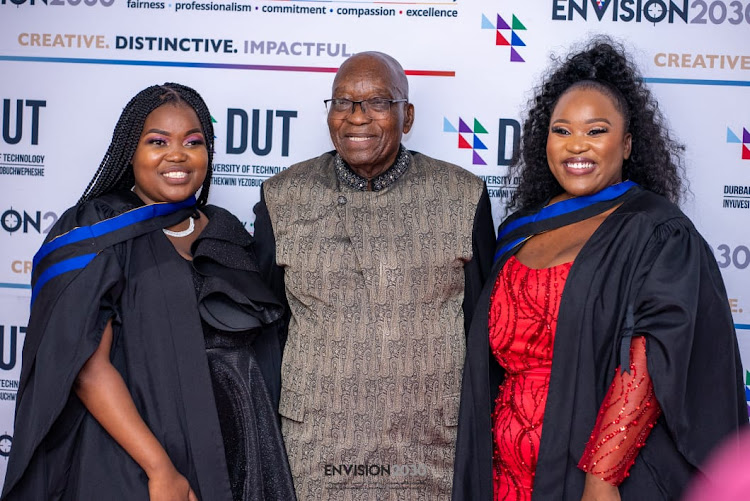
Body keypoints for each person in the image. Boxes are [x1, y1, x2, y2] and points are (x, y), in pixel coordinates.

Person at [452, 39, 748, 501]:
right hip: (504, 471)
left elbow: (650, 358)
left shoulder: (655, 231)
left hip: (592, 473)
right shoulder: (517, 233)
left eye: (596, 131)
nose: (576, 145)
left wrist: (602, 477)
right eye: (562, 130)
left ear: (627, 144)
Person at [2, 83, 296, 501]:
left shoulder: (225, 232)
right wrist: (160, 470)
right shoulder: (98, 228)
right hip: (137, 460)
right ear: (130, 152)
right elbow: (86, 365)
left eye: (193, 142)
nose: (177, 155)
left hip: (236, 455)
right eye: (157, 142)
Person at [253, 51, 496, 499]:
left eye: (377, 103)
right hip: (315, 448)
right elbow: (270, 326)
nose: (356, 117)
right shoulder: (282, 197)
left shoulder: (463, 195)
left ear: (407, 117)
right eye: (342, 102)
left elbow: (479, 325)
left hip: (428, 449)